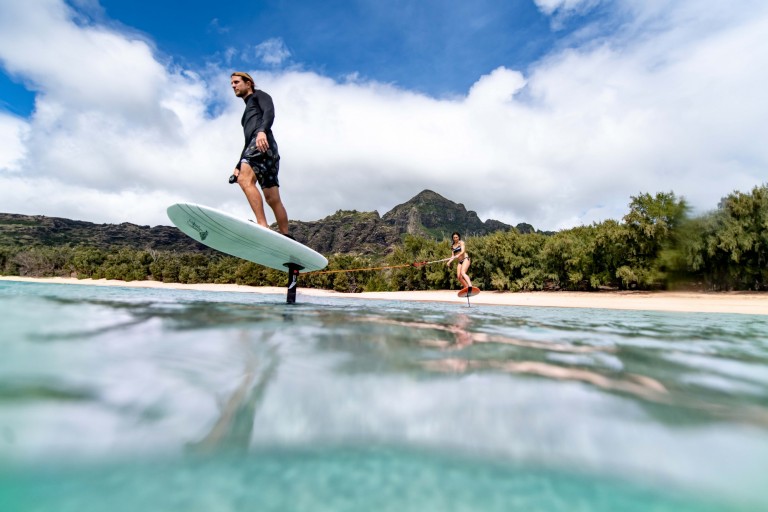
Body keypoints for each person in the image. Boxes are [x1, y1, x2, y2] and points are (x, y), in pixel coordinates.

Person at [229, 72, 290, 236]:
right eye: (232, 84)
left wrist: (262, 131)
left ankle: (262, 225)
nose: (233, 86)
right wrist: (237, 165)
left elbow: (269, 112)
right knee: (272, 198)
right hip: (265, 149)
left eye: (236, 82)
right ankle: (286, 235)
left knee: (244, 180)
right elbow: (247, 141)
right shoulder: (247, 110)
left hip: (261, 141)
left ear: (248, 83)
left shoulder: (259, 96)